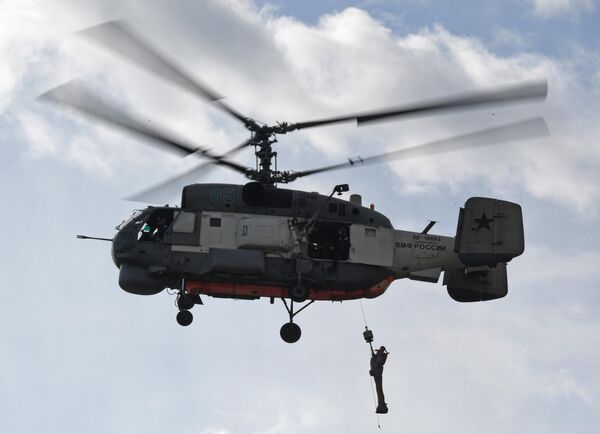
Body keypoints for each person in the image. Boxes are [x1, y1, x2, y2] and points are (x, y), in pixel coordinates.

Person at [370, 345, 389, 414]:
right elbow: (376, 363)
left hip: (377, 372)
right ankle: (381, 404)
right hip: (376, 372)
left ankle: (381, 405)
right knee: (379, 388)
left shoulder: (380, 355)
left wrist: (375, 370)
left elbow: (379, 363)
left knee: (379, 388)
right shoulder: (378, 355)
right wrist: (372, 370)